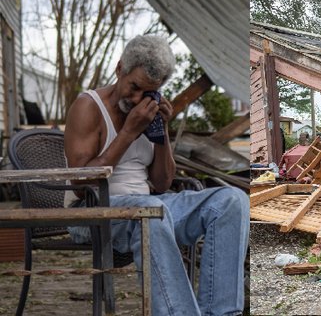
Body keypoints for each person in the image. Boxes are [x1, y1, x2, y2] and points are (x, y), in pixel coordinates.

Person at [63, 35, 249, 316]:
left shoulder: (147, 115)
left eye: (148, 92)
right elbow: (80, 183)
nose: (137, 99)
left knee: (232, 201)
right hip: (91, 212)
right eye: (134, 87)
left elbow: (162, 183)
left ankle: (220, 312)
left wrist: (161, 132)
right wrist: (127, 133)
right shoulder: (88, 106)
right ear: (120, 69)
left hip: (149, 208)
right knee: (152, 209)